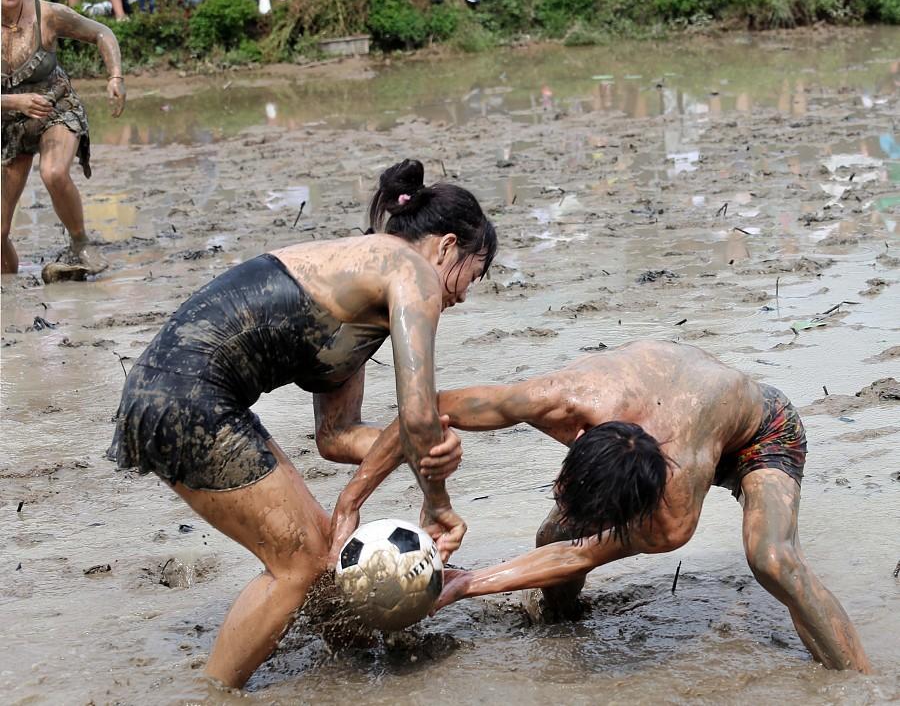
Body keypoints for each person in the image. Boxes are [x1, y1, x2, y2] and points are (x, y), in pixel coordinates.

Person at [107, 159, 496, 688]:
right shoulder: (412, 270)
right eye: (473, 273)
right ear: (448, 246)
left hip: (169, 390)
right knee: (302, 562)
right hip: (188, 394)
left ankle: (355, 668)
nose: (463, 294)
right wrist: (437, 501)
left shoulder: (365, 285)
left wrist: (414, 449)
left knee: (317, 549)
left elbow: (337, 436)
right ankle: (214, 694)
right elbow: (419, 412)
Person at [336, 340, 872, 672]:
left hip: (761, 431)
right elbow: (424, 410)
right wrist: (353, 497)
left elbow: (582, 554)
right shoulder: (560, 398)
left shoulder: (672, 514)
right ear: (578, 436)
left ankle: (858, 680)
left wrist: (468, 583)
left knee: (773, 559)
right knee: (551, 534)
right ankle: (562, 621)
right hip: (680, 418)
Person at [2, 0, 125, 280]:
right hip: (8, 121)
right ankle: (10, 289)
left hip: (54, 106)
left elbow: (102, 33)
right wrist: (13, 102)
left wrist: (115, 77)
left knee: (54, 172)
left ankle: (80, 244)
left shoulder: (47, 14)